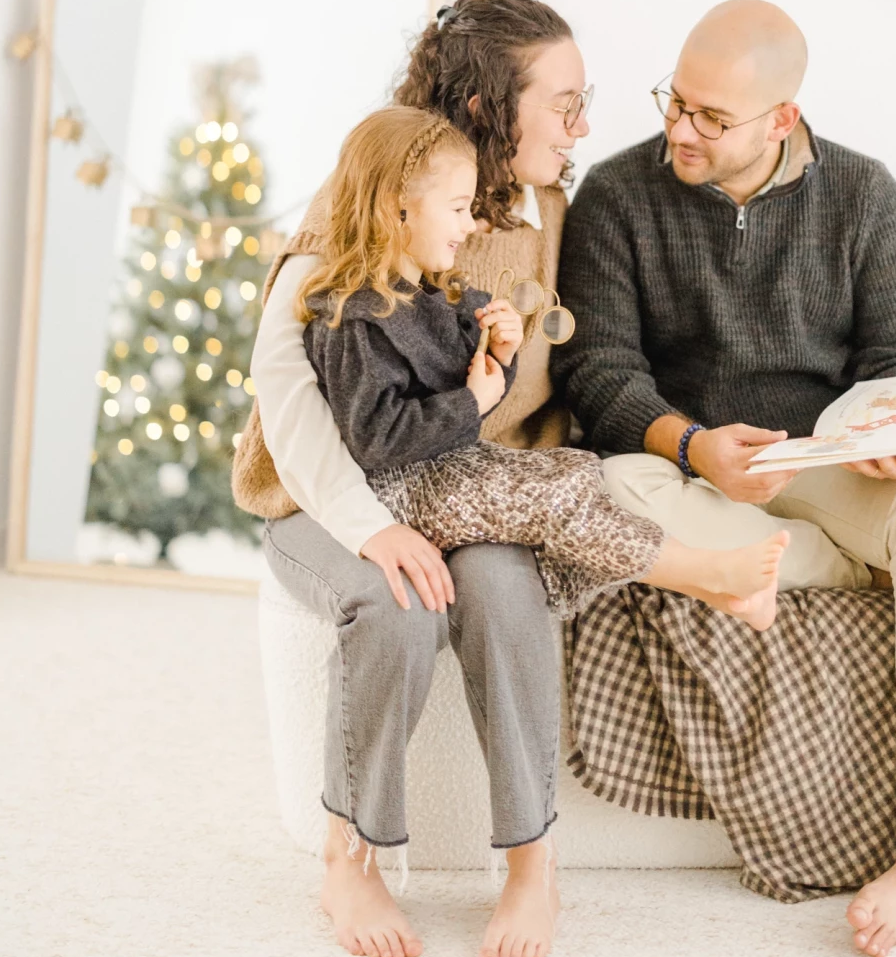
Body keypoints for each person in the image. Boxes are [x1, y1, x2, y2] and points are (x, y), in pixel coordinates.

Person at [554, 0, 896, 957]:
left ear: (781, 120)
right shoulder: (617, 196)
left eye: (712, 118)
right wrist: (692, 443)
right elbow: (600, 373)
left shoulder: (864, 195)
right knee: (599, 499)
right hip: (685, 469)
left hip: (825, 464)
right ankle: (849, 567)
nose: (681, 129)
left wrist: (891, 428)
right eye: (677, 102)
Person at [236, 0, 592, 957]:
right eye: (563, 103)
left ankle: (532, 865)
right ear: (486, 110)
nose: (582, 125)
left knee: (504, 593)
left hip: (464, 491)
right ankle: (347, 854)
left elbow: (568, 379)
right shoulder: (359, 204)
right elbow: (289, 400)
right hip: (334, 497)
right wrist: (371, 528)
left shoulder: (550, 215)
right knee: (394, 605)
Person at [298, 102, 789, 625]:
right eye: (459, 208)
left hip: (443, 471)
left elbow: (459, 392)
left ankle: (713, 586)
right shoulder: (353, 319)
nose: (469, 227)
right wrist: (475, 400)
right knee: (549, 500)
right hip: (396, 492)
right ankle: (710, 574)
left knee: (575, 474)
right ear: (399, 208)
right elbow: (378, 441)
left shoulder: (431, 290)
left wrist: (498, 357)